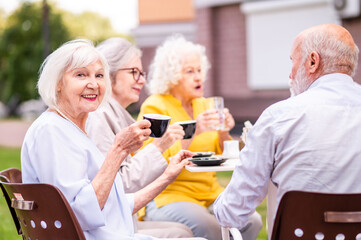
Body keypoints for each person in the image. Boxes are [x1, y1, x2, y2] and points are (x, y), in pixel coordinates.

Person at [20, 39, 205, 240]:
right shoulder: (52, 130)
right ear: (58, 84)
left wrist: (167, 176)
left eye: (99, 75)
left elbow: (115, 204)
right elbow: (78, 215)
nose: (93, 83)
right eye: (80, 75)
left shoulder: (69, 128)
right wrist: (118, 150)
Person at [213, 23, 361, 237]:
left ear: (312, 61)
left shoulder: (279, 118)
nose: (290, 74)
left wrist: (219, 203)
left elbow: (231, 213)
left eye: (293, 61)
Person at [137, 34, 262, 240]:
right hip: (171, 195)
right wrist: (195, 130)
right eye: (189, 72)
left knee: (251, 220)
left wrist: (224, 131)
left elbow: (224, 153)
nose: (198, 77)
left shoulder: (204, 105)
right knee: (211, 228)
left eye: (199, 70)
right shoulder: (155, 106)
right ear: (172, 76)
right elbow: (154, 160)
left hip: (210, 193)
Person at [86, 37, 193, 238]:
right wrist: (159, 147)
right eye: (134, 72)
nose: (142, 80)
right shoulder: (99, 118)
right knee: (183, 234)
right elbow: (118, 186)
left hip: (119, 219)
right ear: (109, 73)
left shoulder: (113, 115)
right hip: (108, 226)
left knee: (183, 231)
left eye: (142, 73)